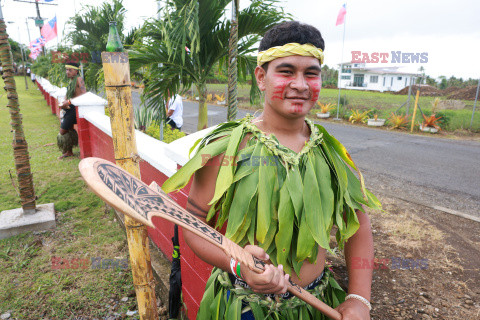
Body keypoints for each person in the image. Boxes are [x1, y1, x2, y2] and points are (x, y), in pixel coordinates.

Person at [162, 21, 381, 320]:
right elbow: (193, 226)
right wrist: (239, 265)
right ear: (261, 78)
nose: (301, 85)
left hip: (317, 306)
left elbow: (359, 227)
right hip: (243, 308)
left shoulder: (331, 155)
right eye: (287, 72)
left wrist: (358, 299)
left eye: (311, 74)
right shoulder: (227, 148)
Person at [57, 62, 86, 159]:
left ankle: (69, 149)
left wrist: (68, 102)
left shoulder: (79, 79)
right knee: (69, 129)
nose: (67, 72)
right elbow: (69, 96)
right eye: (66, 70)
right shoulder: (71, 81)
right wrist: (63, 103)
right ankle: (69, 152)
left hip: (74, 108)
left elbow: (83, 95)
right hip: (70, 108)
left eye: (70, 70)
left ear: (76, 71)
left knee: (63, 131)